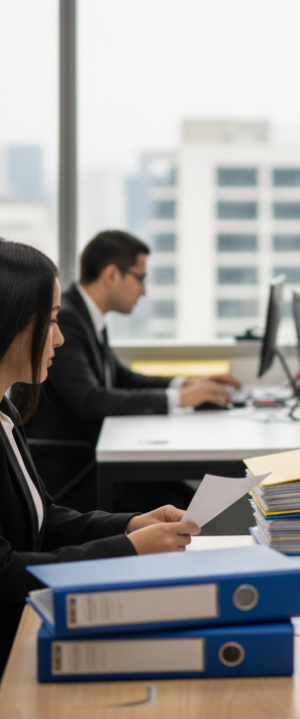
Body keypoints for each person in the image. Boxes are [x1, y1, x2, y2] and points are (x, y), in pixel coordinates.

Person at [0, 238, 199, 673]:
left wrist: (130, 524)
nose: (59, 337)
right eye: (50, 322)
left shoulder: (5, 409)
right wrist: (127, 549)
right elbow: (4, 573)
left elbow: (45, 518)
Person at [24, 230, 240, 444]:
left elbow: (121, 378)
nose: (144, 291)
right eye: (141, 279)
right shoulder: (68, 319)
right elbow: (90, 400)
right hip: (73, 461)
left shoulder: (87, 316)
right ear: (112, 276)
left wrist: (184, 384)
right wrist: (180, 399)